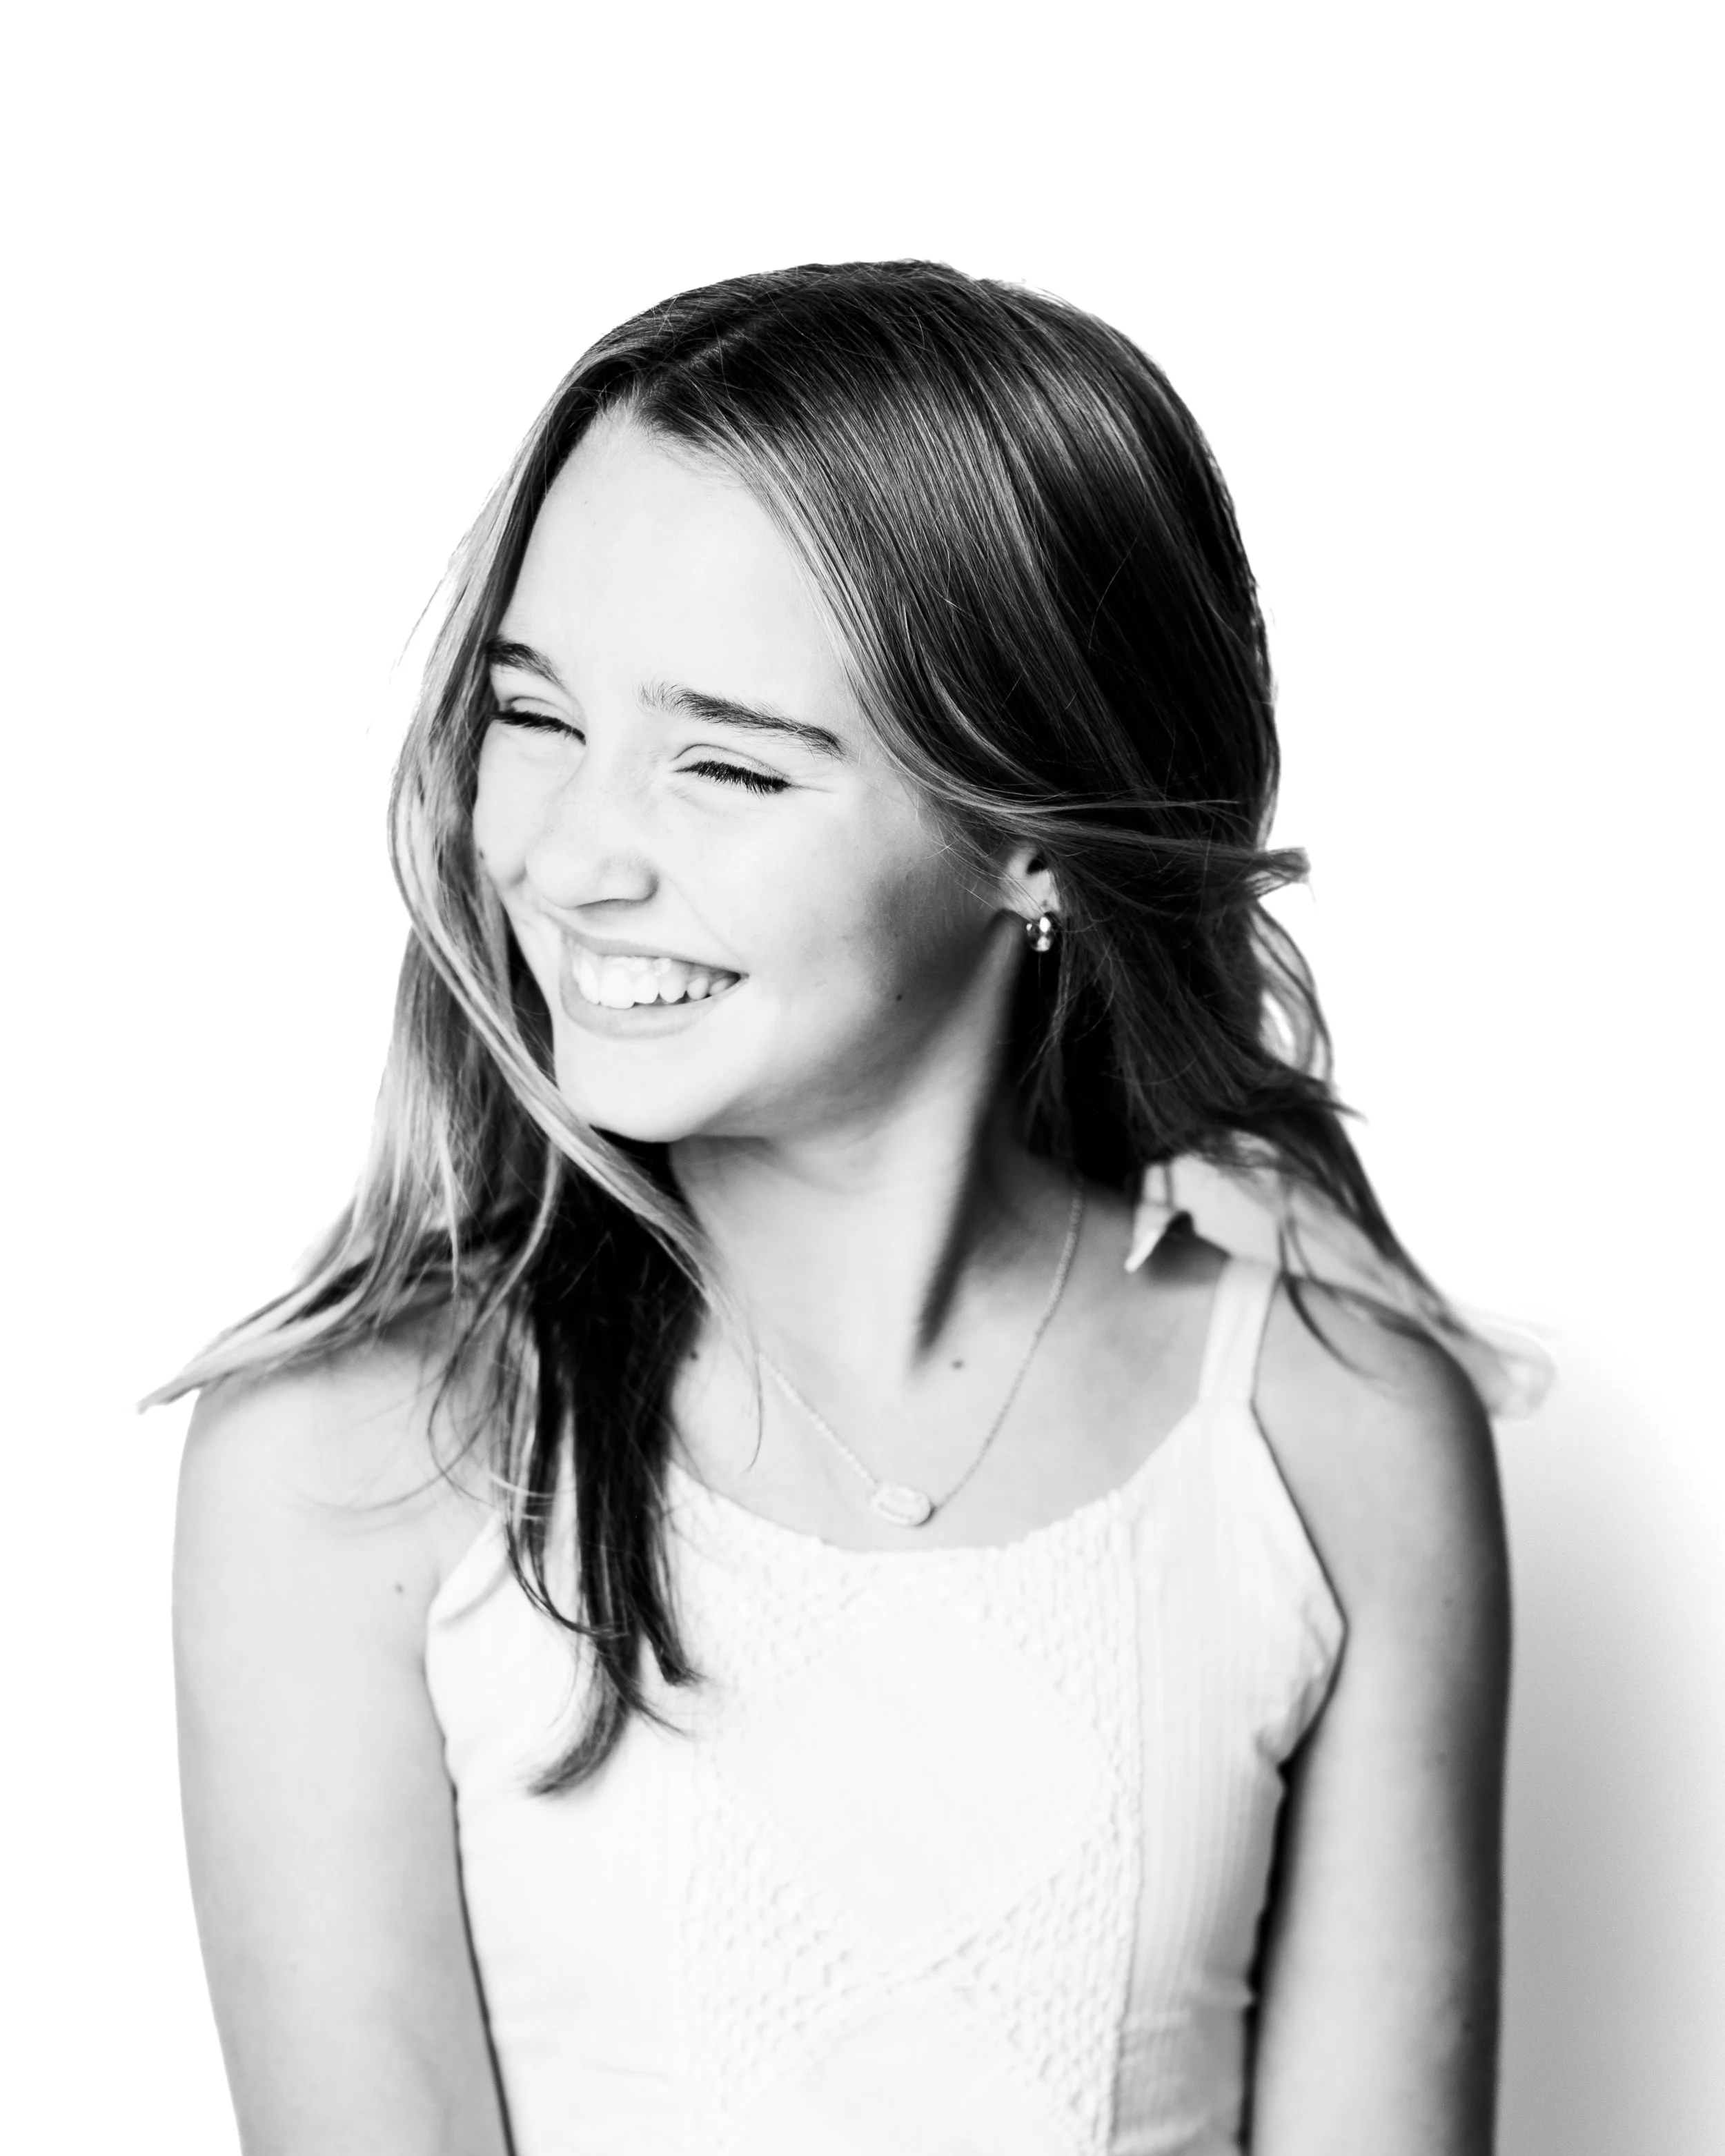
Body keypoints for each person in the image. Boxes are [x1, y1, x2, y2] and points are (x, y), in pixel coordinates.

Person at [164, 259, 1523, 2155]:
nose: (561, 851)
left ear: (1031, 826)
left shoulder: (1334, 1435)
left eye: (723, 760)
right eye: (532, 712)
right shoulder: (355, 1469)